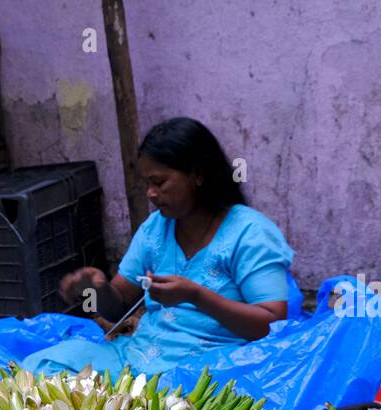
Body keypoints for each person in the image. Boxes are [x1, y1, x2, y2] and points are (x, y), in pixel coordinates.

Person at [25, 117, 294, 376]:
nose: (150, 194)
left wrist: (196, 296)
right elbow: (119, 307)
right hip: (140, 356)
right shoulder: (156, 229)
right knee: (40, 366)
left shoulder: (250, 233)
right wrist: (97, 291)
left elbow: (272, 324)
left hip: (212, 368)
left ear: (197, 175)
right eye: (147, 184)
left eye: (160, 182)